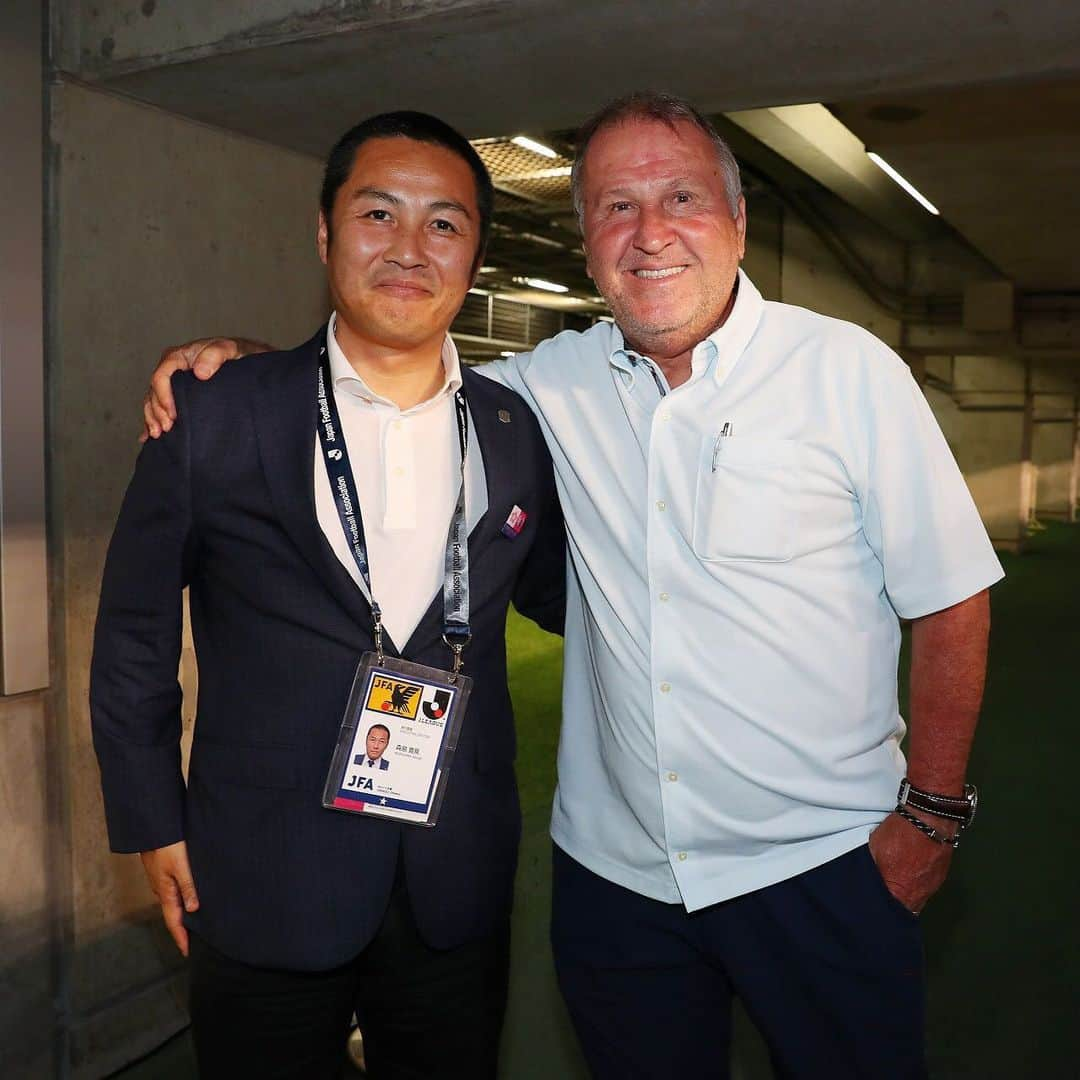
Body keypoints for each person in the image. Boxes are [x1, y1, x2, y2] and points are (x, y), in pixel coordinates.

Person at [142, 92, 1002, 1079]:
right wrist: (255, 368)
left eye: (679, 198)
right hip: (619, 888)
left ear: (738, 223)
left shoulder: (847, 374)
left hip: (817, 867)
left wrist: (931, 816)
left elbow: (950, 598)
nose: (648, 234)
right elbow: (389, 373)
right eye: (613, 208)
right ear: (586, 239)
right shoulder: (538, 390)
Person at [91, 110, 565, 1080]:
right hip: (263, 867)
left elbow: (567, 597)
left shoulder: (516, 429)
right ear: (323, 232)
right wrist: (153, 819)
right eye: (377, 213)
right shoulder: (217, 412)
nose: (408, 248)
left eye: (444, 223)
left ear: (475, 249)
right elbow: (134, 637)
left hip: (452, 878)